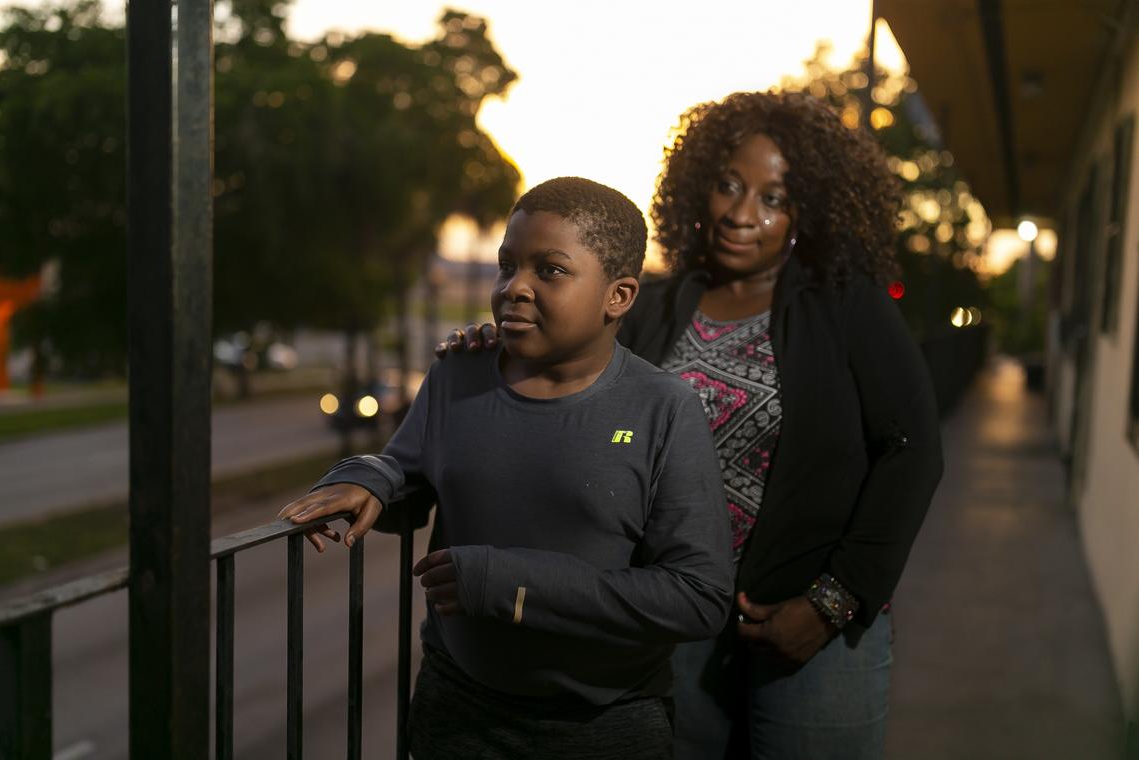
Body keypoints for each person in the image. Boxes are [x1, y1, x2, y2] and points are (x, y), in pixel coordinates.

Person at [439, 91, 943, 759]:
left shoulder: (847, 307)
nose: (741, 212)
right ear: (698, 186)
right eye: (729, 185)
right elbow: (565, 371)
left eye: (773, 197)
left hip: (808, 626)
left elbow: (912, 452)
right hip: (672, 622)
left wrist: (832, 601)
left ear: (807, 211)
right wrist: (496, 345)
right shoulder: (653, 305)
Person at [279, 176, 734, 760]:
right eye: (506, 266)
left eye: (551, 270)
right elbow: (404, 471)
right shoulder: (457, 373)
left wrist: (510, 585)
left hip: (605, 724)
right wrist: (363, 476)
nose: (514, 287)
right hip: (457, 713)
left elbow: (699, 597)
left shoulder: (665, 408)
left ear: (618, 296)